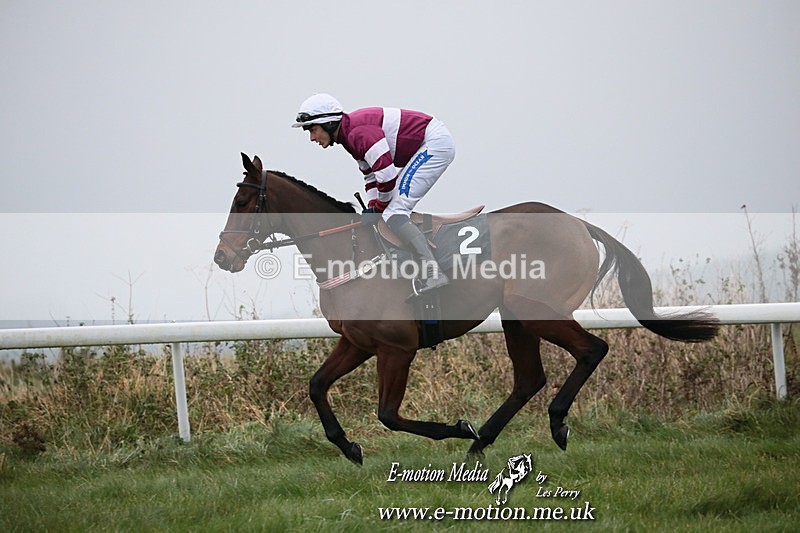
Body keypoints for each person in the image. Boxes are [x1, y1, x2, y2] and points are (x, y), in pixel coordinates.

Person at [292, 93, 455, 294]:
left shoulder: (358, 133)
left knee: (394, 212)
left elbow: (387, 178)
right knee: (389, 211)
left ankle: (433, 272)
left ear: (330, 123)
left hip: (434, 143)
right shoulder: (348, 137)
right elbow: (370, 177)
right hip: (426, 143)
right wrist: (371, 207)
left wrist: (378, 209)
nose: (312, 138)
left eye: (313, 130)